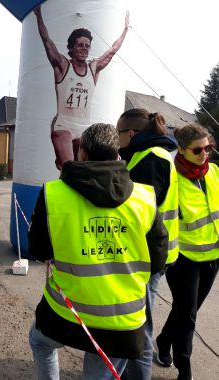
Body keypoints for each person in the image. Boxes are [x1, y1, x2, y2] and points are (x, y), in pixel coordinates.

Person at [28, 123, 168, 379]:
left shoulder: (53, 193)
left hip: (65, 314)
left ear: (81, 153)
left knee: (40, 341)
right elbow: (158, 261)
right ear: (118, 154)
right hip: (122, 322)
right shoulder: (145, 198)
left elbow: (38, 249)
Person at [116, 109, 178, 380]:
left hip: (147, 257)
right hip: (155, 254)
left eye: (118, 134)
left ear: (131, 134)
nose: (117, 140)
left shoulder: (149, 160)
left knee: (139, 328)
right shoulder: (154, 155)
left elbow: (139, 215)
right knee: (139, 323)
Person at [155, 123, 219, 380]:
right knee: (187, 316)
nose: (205, 153)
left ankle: (163, 340)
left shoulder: (214, 172)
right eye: (198, 150)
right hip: (184, 260)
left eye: (209, 147)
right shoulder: (172, 177)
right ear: (181, 149)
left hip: (212, 257)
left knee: (185, 311)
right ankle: (185, 369)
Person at [34, 5, 129, 170]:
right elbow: (47, 41)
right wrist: (39, 15)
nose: (84, 49)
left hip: (83, 129)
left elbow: (113, 50)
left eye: (87, 46)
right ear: (71, 48)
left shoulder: (93, 69)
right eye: (80, 45)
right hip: (63, 125)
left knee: (84, 170)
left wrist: (126, 30)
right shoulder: (63, 65)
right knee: (69, 169)